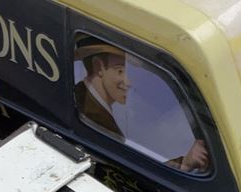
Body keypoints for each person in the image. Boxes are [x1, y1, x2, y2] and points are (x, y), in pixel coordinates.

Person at [74, 38, 213, 173]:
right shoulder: (94, 117)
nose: (128, 82)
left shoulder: (82, 96)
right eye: (120, 71)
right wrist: (184, 163)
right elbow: (128, 172)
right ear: (99, 67)